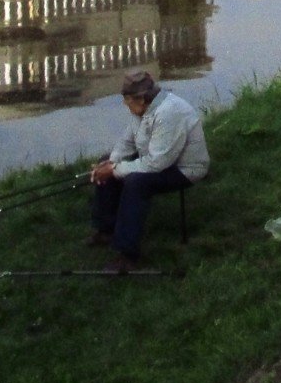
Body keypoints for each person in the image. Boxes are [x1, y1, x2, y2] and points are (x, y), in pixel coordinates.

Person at [88, 70, 208, 267]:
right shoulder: (143, 109)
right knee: (107, 162)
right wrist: (112, 161)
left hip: (184, 168)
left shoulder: (170, 112)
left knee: (136, 183)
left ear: (141, 99)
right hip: (158, 158)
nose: (128, 108)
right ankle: (106, 229)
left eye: (129, 103)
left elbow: (157, 163)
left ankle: (127, 253)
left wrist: (116, 170)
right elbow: (128, 141)